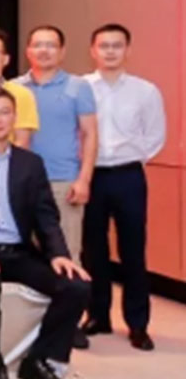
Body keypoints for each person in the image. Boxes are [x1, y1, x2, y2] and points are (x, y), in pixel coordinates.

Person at [0, 88, 91, 379]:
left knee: (77, 286)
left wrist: (59, 254)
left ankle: (40, 359)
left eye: (4, 112)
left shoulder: (30, 162)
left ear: (14, 118)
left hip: (19, 252)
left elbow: (46, 215)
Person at [81, 23, 166, 351]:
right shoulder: (81, 88)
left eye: (117, 46)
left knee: (133, 250)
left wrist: (130, 157)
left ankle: (138, 324)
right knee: (93, 250)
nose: (110, 51)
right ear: (93, 50)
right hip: (91, 174)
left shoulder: (146, 91)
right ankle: (98, 315)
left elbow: (155, 135)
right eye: (104, 46)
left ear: (128, 50)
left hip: (129, 175)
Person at [12, 25, 98, 348]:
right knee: (30, 255)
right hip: (20, 181)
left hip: (63, 180)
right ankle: (34, 324)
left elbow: (90, 134)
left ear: (62, 51)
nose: (43, 51)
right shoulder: (14, 88)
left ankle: (68, 324)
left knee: (67, 252)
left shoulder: (78, 87)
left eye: (50, 45)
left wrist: (84, 178)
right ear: (28, 51)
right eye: (37, 45)